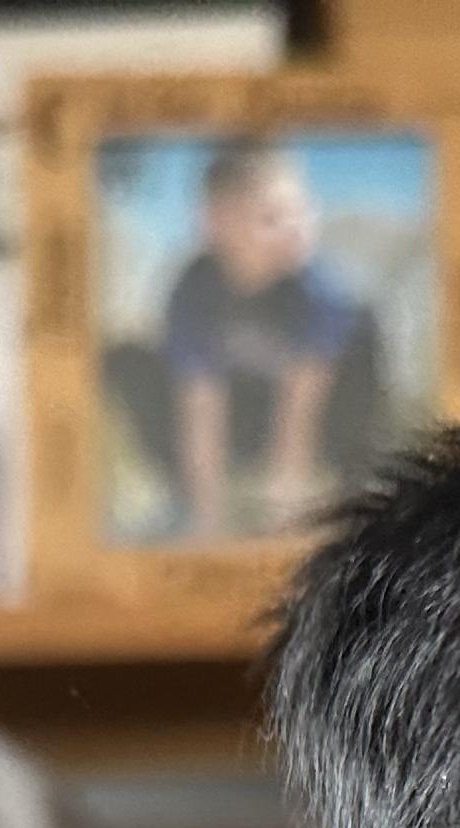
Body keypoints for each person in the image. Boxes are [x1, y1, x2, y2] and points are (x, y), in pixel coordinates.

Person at [152, 139, 385, 536]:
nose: (296, 227)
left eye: (302, 210)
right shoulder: (193, 289)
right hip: (249, 413)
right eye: (271, 217)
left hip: (327, 412)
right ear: (215, 223)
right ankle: (184, 502)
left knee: (363, 336)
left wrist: (287, 513)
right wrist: (207, 521)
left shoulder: (320, 292)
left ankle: (353, 499)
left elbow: (299, 414)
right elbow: (200, 405)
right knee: (130, 361)